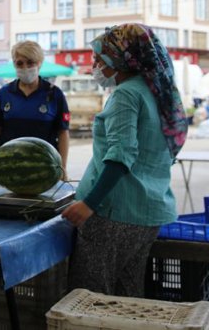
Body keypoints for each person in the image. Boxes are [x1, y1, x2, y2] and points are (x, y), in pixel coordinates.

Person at [62, 23, 188, 297]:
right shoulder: (157, 91)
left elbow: (121, 156)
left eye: (100, 57)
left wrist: (88, 204)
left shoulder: (126, 94)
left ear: (121, 58)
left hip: (112, 214)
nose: (94, 64)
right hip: (148, 213)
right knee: (126, 296)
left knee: (91, 300)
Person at [0, 40, 70, 177]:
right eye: (20, 63)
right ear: (14, 64)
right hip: (8, 168)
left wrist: (63, 168)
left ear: (39, 63)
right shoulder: (4, 93)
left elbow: (63, 133)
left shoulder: (54, 94)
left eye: (30, 62)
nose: (25, 67)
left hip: (44, 169)